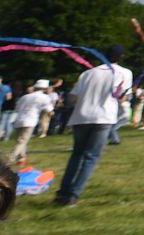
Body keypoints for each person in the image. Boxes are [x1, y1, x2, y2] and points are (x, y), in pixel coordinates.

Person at [53, 45, 133, 208]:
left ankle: (63, 192)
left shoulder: (88, 73)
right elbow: (122, 98)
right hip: (103, 117)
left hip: (81, 116)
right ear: (121, 57)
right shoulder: (125, 73)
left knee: (76, 155)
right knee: (90, 157)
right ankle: (73, 195)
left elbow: (73, 97)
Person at [4, 81, 52, 168]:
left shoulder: (25, 96)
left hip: (19, 120)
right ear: (45, 88)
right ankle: (9, 160)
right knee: (21, 142)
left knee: (21, 141)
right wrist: (51, 114)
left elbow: (17, 108)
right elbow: (49, 110)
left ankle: (21, 159)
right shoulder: (45, 97)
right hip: (30, 121)